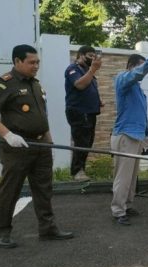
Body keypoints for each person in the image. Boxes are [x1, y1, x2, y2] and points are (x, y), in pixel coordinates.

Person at [0, 44, 74, 248]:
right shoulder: (4, 84)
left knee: (44, 189)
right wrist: (8, 134)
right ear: (17, 62)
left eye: (37, 62)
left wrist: (49, 143)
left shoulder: (36, 84)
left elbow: (41, 118)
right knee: (10, 189)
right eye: (31, 62)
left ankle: (48, 229)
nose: (36, 65)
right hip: (16, 146)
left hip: (40, 145)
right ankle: (3, 231)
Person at [110, 45, 148, 225]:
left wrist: (144, 134)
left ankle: (127, 205)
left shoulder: (136, 88)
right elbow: (137, 73)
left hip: (135, 135)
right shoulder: (123, 79)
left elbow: (138, 113)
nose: (143, 72)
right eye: (141, 67)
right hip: (125, 135)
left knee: (131, 175)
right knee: (123, 176)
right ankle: (118, 211)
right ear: (131, 66)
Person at [64, 46, 103, 182]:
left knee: (88, 142)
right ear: (80, 55)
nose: (93, 59)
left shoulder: (87, 71)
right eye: (90, 55)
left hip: (90, 111)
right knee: (81, 141)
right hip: (79, 111)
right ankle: (77, 171)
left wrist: (98, 100)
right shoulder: (73, 69)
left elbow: (89, 87)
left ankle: (81, 170)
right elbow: (79, 85)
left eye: (94, 56)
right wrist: (93, 69)